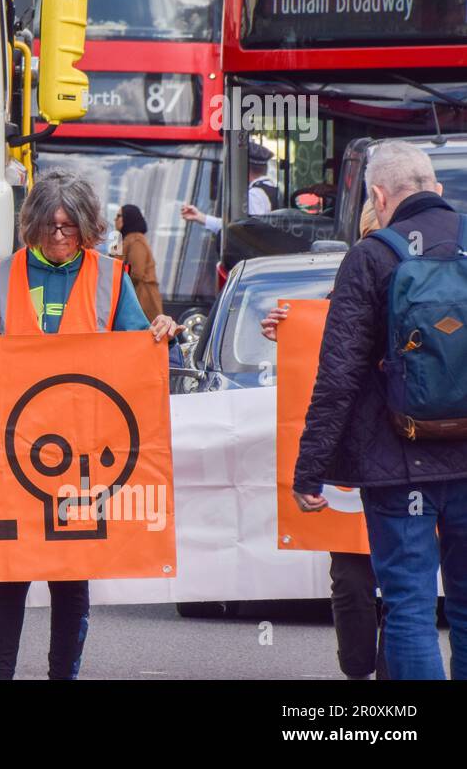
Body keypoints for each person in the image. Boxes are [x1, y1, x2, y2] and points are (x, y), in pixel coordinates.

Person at [0, 170, 178, 680]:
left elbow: (143, 349)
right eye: (49, 226)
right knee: (10, 577)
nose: (58, 236)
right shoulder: (4, 275)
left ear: (87, 227)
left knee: (71, 582)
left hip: (84, 456)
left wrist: (162, 331)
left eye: (69, 227)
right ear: (31, 225)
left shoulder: (112, 277)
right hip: (13, 451)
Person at [289, 140, 467, 680]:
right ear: (436, 189)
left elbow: (338, 374)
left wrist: (310, 470)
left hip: (398, 463)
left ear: (378, 195)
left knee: (410, 608)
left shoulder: (370, 256)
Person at [261, 199, 386, 680]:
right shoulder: (346, 291)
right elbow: (326, 363)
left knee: (400, 581)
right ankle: (358, 670)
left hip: (404, 454)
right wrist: (288, 337)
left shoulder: (428, 289)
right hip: (354, 459)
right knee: (353, 578)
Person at [181, 141, 280, 233]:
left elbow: (249, 233)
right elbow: (235, 226)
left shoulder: (254, 195)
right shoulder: (274, 190)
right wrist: (200, 217)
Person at [113, 204, 164, 322]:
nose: (115, 219)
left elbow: (137, 273)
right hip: (131, 298)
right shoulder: (122, 239)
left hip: (142, 301)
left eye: (119, 216)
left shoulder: (136, 240)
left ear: (128, 218)